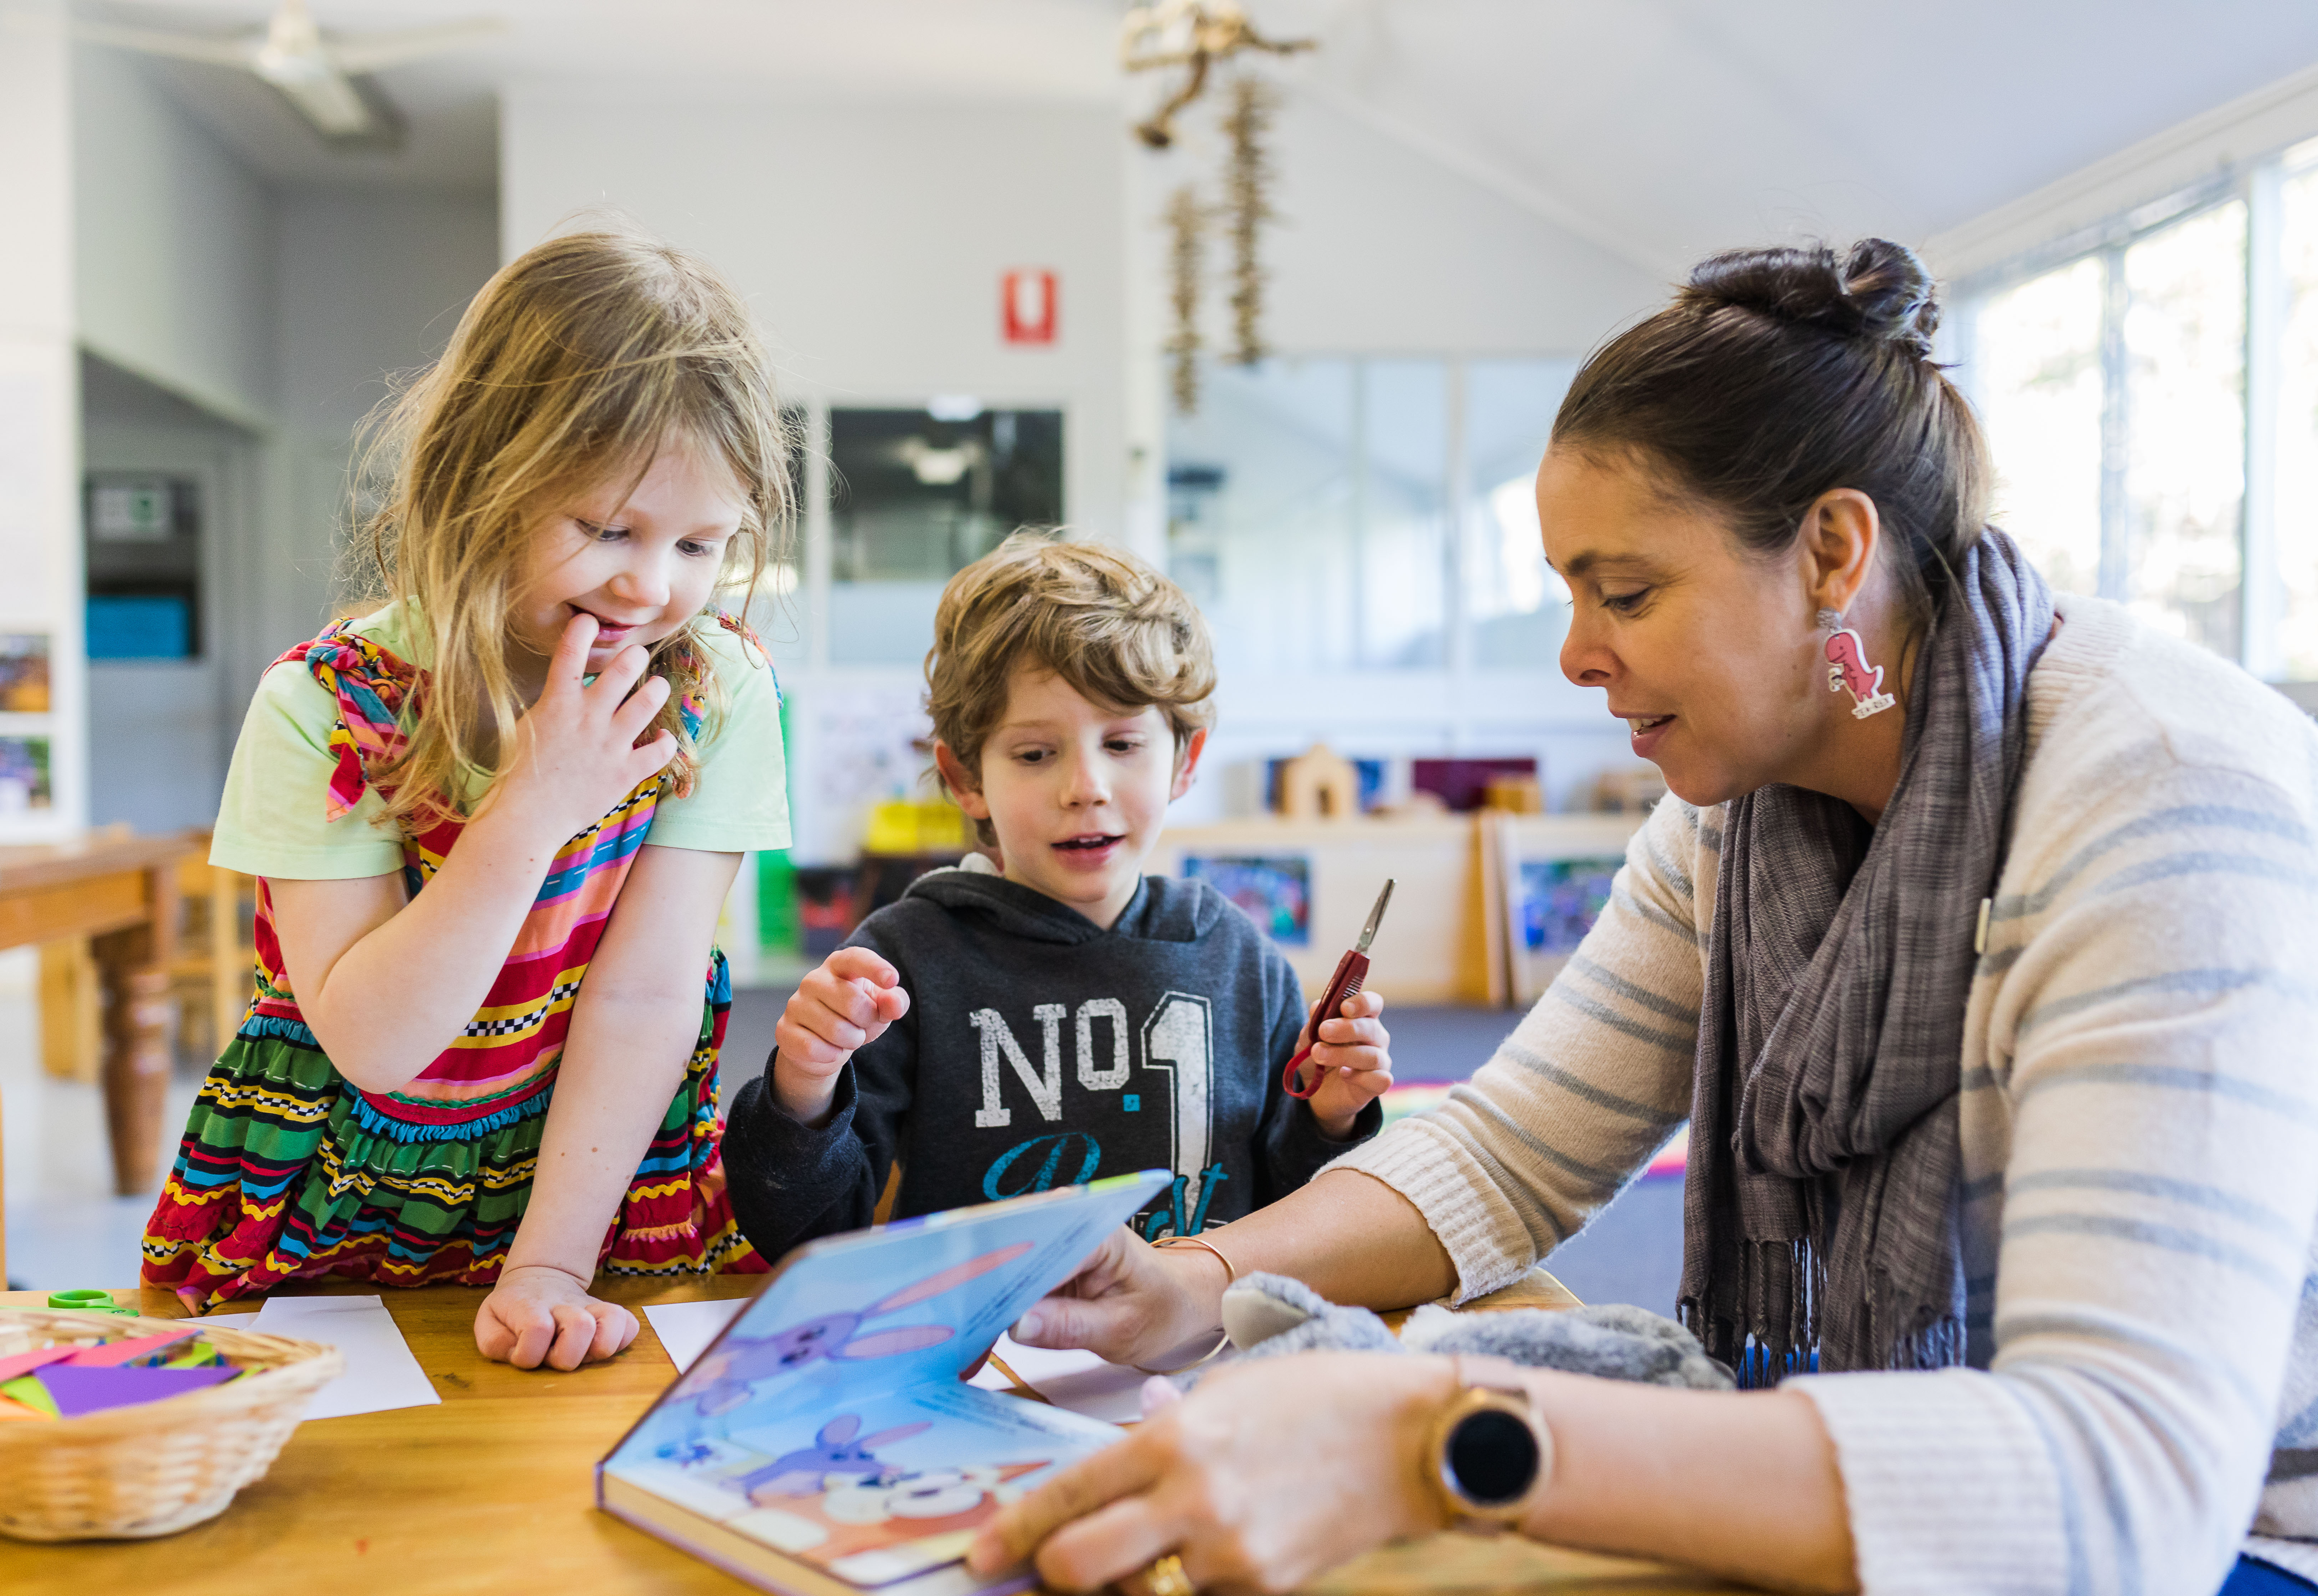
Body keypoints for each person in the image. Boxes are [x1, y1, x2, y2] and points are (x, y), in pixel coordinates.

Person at [962, 241, 2318, 1596]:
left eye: (1625, 593)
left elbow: (2128, 1493)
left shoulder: (2165, 803)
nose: (1575, 653)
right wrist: (1194, 1279)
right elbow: (1509, 1152)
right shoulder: (1742, 815)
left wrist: (1441, 1440)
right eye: (1568, 592)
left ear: (1834, 552)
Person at [141, 230, 796, 1373]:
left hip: (588, 1189)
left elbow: (646, 996)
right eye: (606, 530)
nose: (653, 586)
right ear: (480, 485)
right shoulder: (325, 707)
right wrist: (533, 808)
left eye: (700, 543)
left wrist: (551, 1264)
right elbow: (377, 1040)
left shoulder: (716, 688)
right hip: (336, 1198)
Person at [722, 535, 1391, 1261]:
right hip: (989, 1362)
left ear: (1185, 762)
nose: (1086, 787)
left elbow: (1295, 1222)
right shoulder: (903, 963)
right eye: (1036, 754)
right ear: (966, 777)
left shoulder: (1239, 957)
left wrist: (1329, 1118)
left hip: (1196, 1355)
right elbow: (802, 1232)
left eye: (1125, 744)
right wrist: (805, 1085)